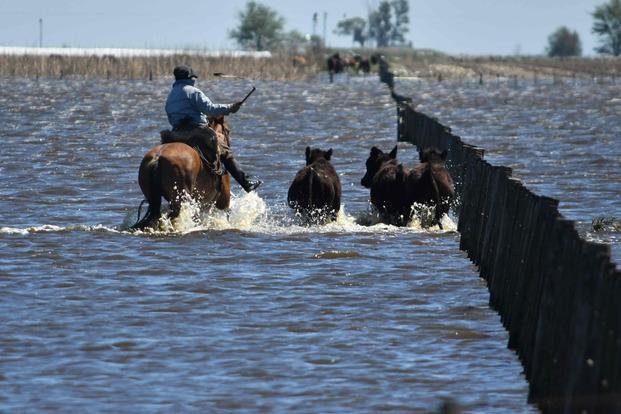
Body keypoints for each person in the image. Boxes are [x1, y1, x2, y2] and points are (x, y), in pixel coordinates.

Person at [164, 64, 262, 192]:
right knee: (225, 152)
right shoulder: (193, 91)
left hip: (176, 133)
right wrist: (231, 107)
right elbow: (210, 109)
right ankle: (246, 182)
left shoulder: (171, 95)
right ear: (189, 77)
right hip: (196, 130)